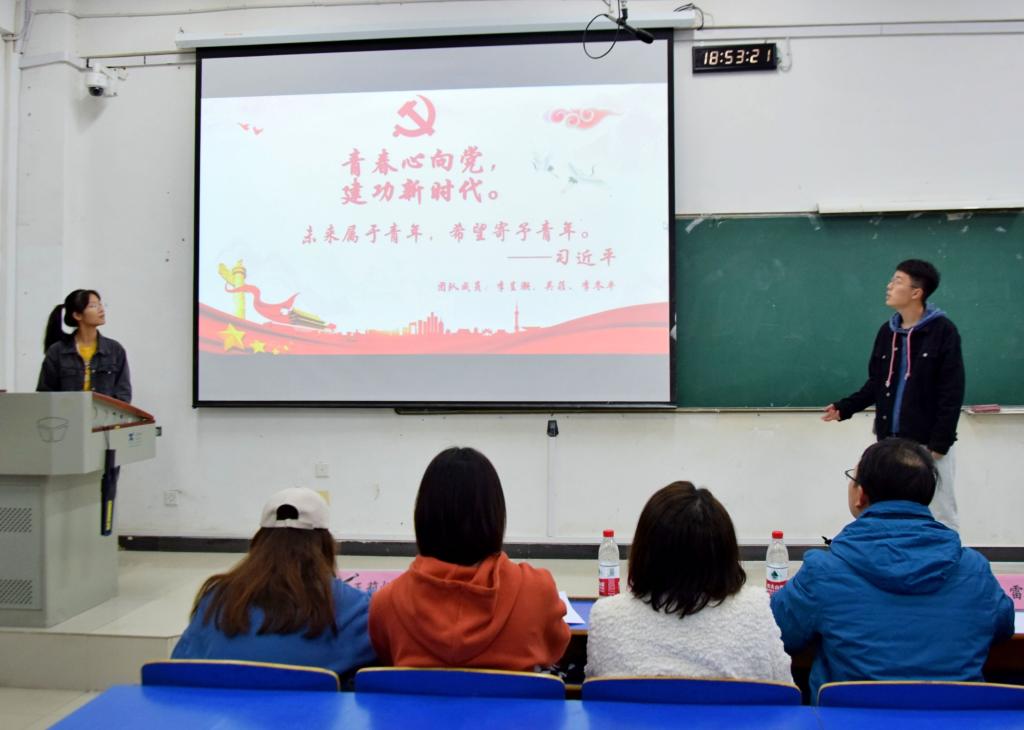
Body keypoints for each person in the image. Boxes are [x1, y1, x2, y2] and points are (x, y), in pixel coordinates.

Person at [771, 438, 1014, 702]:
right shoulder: (974, 570)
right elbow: (1003, 627)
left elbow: (778, 632)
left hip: (850, 719)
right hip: (955, 718)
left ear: (861, 495)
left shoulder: (823, 572)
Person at [369, 447, 570, 670]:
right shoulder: (537, 590)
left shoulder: (386, 604)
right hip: (509, 696)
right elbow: (555, 649)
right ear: (495, 513)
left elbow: (387, 662)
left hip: (422, 696)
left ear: (423, 515)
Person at [585, 481, 792, 682]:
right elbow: (786, 693)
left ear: (644, 552)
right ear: (726, 553)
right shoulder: (756, 612)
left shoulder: (606, 617)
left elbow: (596, 694)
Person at [172, 487, 376, 678]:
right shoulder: (354, 608)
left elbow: (180, 667)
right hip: (306, 706)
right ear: (325, 544)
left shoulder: (216, 598)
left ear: (259, 542)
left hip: (220, 704)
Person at [822, 259, 964, 530]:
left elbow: (952, 392)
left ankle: (947, 556)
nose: (889, 286)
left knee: (939, 513)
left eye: (897, 281)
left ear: (916, 292)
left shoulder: (943, 331)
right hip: (890, 443)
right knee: (886, 510)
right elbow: (877, 383)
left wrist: (939, 446)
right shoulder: (887, 332)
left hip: (928, 444)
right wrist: (845, 407)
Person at [37, 289, 132, 402]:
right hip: (68, 413)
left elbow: (123, 394)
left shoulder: (115, 350)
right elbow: (45, 395)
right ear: (77, 315)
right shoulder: (57, 351)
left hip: (104, 413)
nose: (101, 309)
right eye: (93, 306)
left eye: (100, 304)